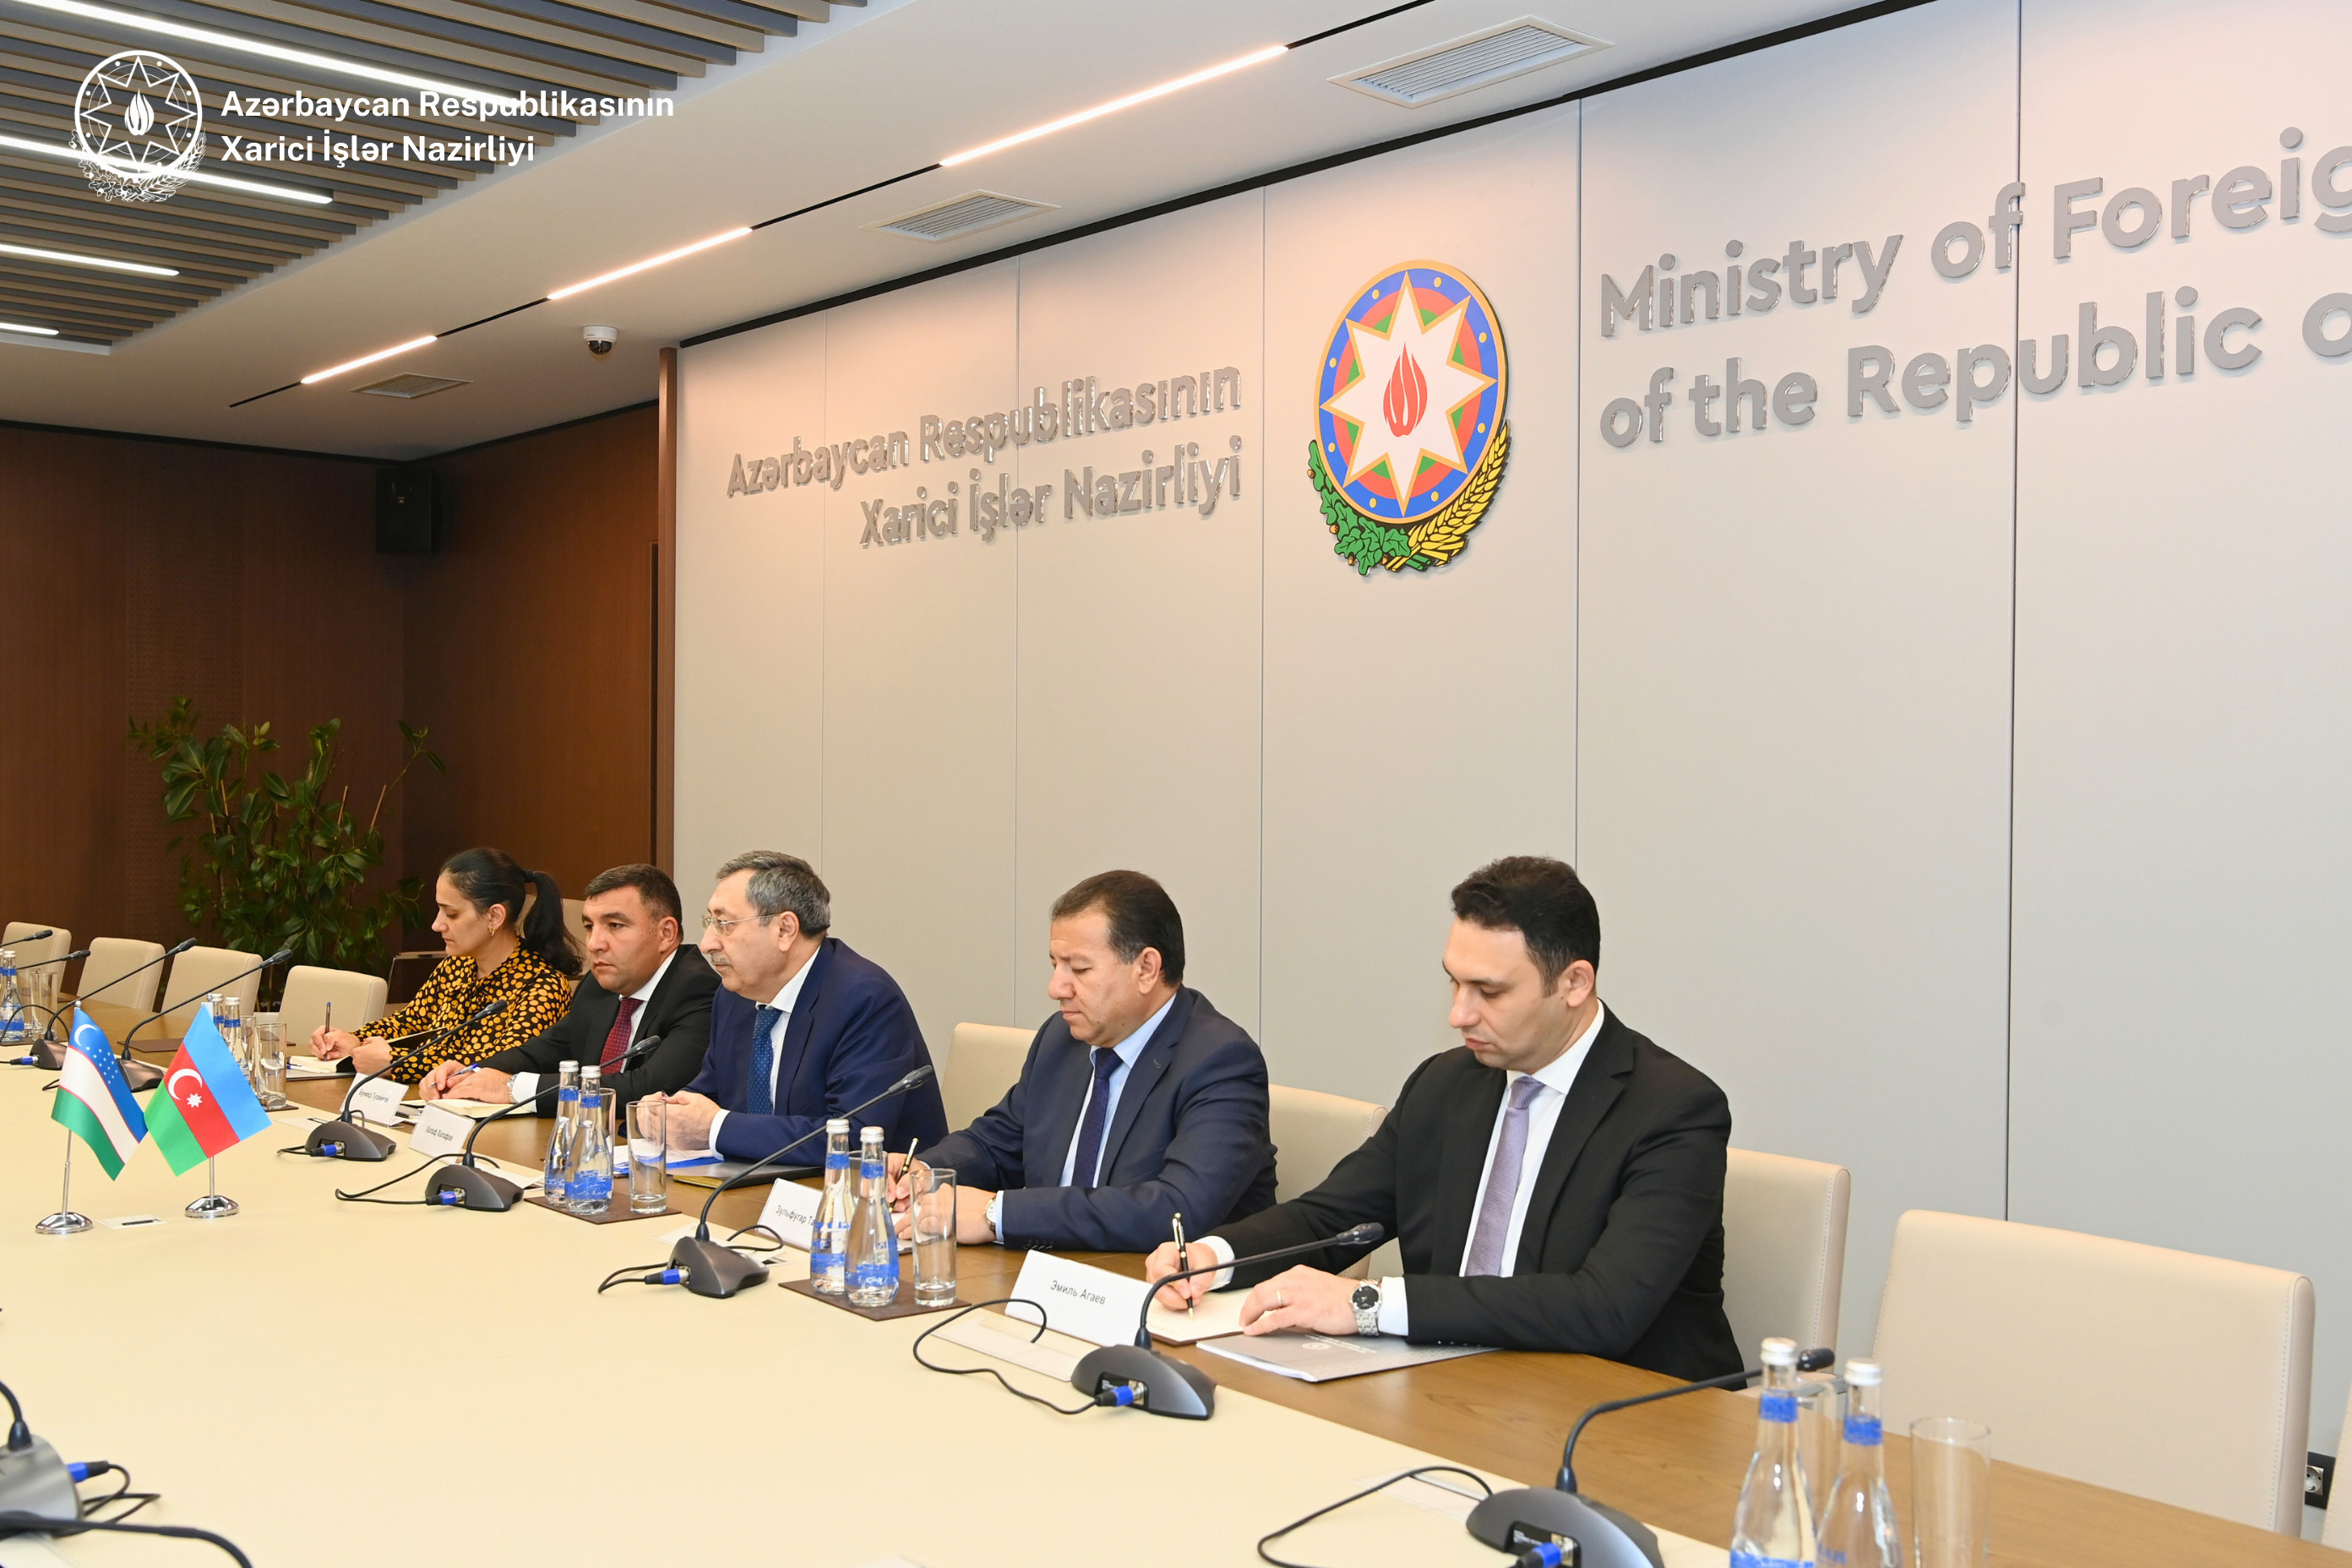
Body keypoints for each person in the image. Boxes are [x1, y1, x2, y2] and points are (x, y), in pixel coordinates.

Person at [1146, 856, 1740, 1379]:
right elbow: (1332, 1219)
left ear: (1574, 984)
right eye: (1454, 983)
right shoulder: (1446, 1083)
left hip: (1627, 1412)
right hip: (1452, 1385)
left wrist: (1367, 1304)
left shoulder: (1673, 1109)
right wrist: (1214, 1257)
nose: (1459, 1014)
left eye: (1489, 991)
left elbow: (1604, 1308)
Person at [900, 870, 1276, 1252]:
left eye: (1079, 969)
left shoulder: (1220, 1061)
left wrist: (998, 1214)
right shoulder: (1062, 1039)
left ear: (1146, 969)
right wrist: (921, 1175)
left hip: (1155, 1282)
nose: (1056, 989)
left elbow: (1178, 1209)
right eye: (1055, 965)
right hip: (1048, 1273)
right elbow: (997, 1145)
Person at [641, 851, 945, 1165]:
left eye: (724, 924)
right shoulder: (734, 995)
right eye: (710, 922)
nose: (707, 944)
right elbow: (711, 1094)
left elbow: (853, 1138)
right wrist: (668, 1112)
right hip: (756, 1183)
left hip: (871, 1189)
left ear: (785, 930)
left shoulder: (864, 998)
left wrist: (715, 1128)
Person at [416, 863, 716, 1112]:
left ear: (666, 934)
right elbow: (545, 1050)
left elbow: (647, 1087)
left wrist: (512, 1087)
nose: (594, 944)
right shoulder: (600, 985)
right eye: (589, 927)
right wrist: (470, 1072)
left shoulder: (698, 990)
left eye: (614, 925)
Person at [312, 847, 576, 1083]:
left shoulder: (543, 986)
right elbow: (411, 1022)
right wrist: (356, 1040)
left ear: (494, 916)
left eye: (451, 914)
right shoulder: (457, 965)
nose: (437, 925)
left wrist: (396, 1062)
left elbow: (497, 1064)